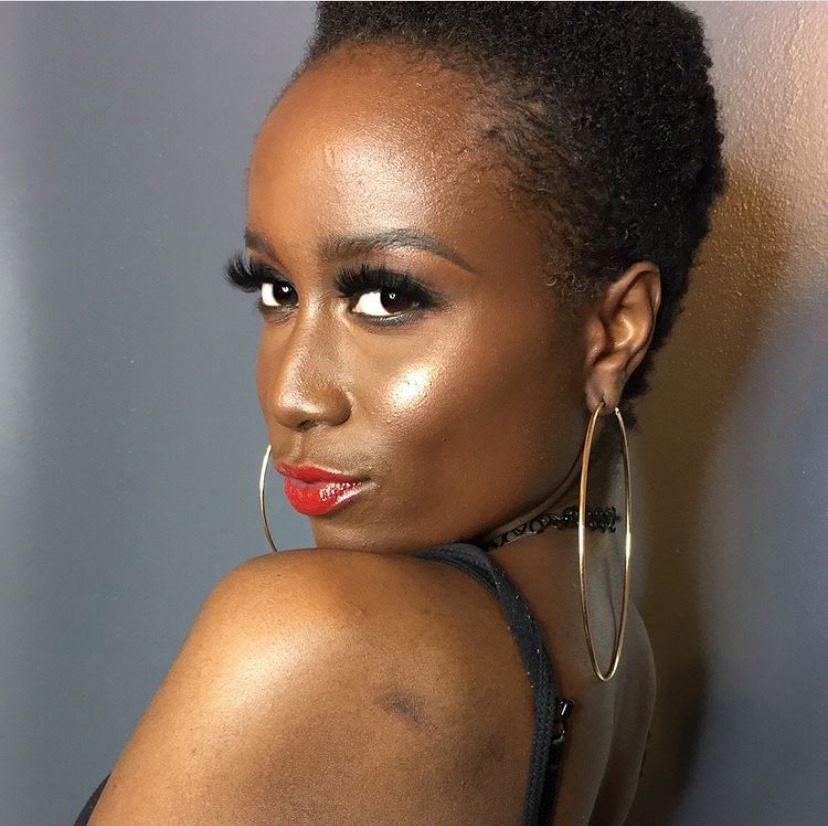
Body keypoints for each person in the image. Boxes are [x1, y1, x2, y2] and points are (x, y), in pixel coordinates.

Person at [75, 3, 723, 824]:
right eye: (277, 290)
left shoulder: (314, 636)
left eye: (386, 298)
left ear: (613, 331)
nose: (294, 394)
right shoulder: (622, 662)